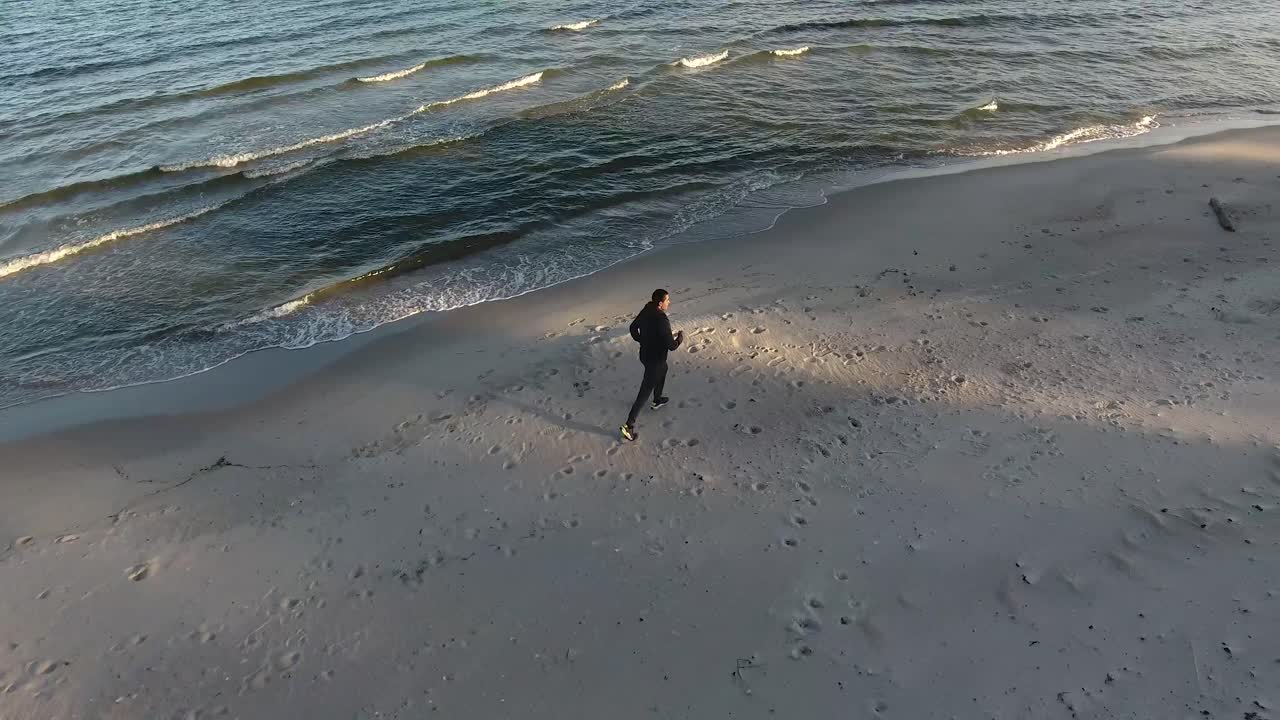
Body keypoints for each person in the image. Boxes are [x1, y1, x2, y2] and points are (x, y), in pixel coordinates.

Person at [621, 289, 683, 441]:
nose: (669, 302)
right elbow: (672, 346)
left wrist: (642, 340)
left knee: (664, 369)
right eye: (667, 300)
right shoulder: (662, 319)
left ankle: (657, 399)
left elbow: (633, 328)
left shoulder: (647, 308)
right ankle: (628, 426)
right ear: (660, 303)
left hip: (645, 355)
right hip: (655, 360)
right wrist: (680, 338)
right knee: (644, 393)